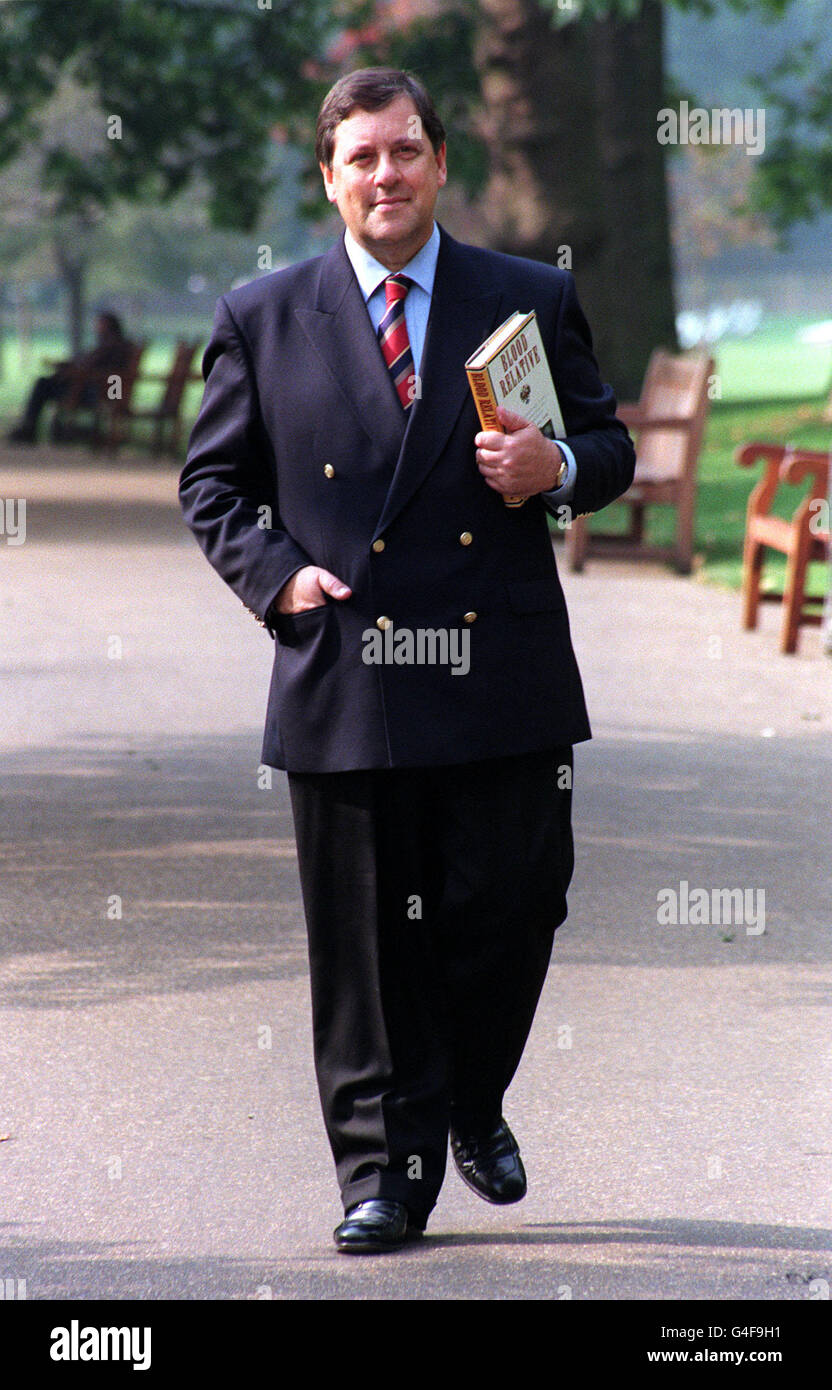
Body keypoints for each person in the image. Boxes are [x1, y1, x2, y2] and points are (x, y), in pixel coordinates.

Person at [179, 67, 635, 1254]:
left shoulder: (526, 296)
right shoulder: (264, 315)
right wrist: (277, 576)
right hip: (348, 664)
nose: (386, 175)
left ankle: (472, 1097)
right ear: (329, 179)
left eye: (406, 152)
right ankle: (384, 1172)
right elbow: (212, 484)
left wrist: (561, 472)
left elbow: (605, 439)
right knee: (367, 942)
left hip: (503, 668)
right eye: (361, 158)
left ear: (441, 162)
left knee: (518, 902)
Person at [7, 310, 131, 444]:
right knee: (46, 382)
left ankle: (29, 428)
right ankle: (31, 428)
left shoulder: (110, 347)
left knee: (43, 384)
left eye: (100, 324)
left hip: (93, 392)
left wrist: (67, 369)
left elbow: (88, 367)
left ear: (109, 326)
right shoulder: (116, 345)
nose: (97, 327)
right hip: (98, 389)